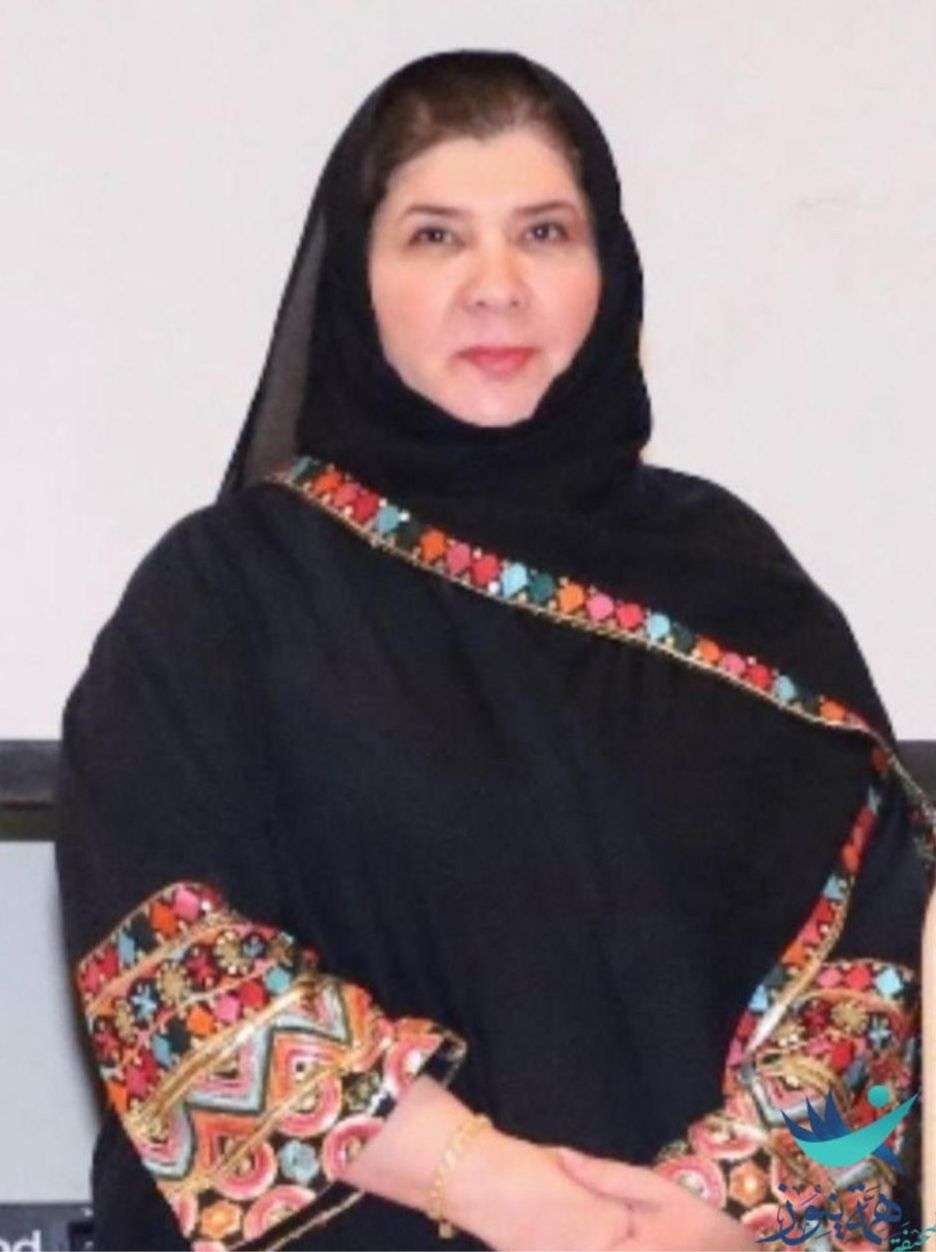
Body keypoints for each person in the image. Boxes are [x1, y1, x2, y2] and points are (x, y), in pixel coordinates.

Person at [53, 49, 934, 1252]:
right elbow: (174, 970)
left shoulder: (737, 577)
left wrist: (714, 1211)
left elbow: (872, 968)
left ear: (607, 270)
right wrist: (499, 1188)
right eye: (434, 238)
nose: (496, 288)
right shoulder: (224, 600)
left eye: (544, 233)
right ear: (356, 282)